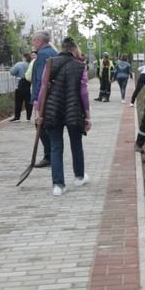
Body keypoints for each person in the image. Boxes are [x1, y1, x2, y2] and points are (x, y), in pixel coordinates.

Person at [35, 37, 91, 196]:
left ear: (62, 47)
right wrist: (87, 116)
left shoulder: (50, 63)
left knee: (55, 147)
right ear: (74, 49)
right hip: (73, 109)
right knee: (76, 144)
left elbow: (43, 88)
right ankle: (79, 177)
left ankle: (58, 186)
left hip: (53, 109)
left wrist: (39, 111)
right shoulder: (80, 66)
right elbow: (83, 93)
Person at [31, 30, 58, 168]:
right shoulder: (54, 52)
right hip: (54, 96)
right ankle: (53, 154)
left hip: (44, 97)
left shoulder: (42, 55)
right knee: (49, 126)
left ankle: (49, 156)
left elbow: (40, 79)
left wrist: (36, 100)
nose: (33, 43)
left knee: (40, 124)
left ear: (40, 41)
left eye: (34, 41)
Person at [9, 52, 33, 122]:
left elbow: (12, 72)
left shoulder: (19, 64)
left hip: (20, 83)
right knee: (28, 101)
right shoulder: (31, 64)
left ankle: (17, 117)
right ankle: (28, 118)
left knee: (18, 101)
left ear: (24, 58)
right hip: (29, 84)